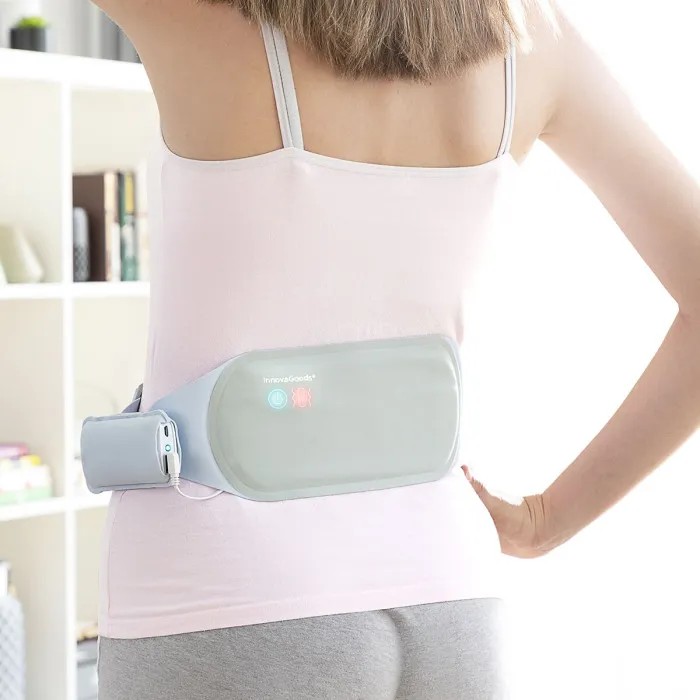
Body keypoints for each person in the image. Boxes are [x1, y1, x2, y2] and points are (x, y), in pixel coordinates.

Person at [92, 1, 700, 698]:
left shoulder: (194, 17)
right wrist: (544, 522)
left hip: (225, 599)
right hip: (449, 598)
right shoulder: (534, 42)